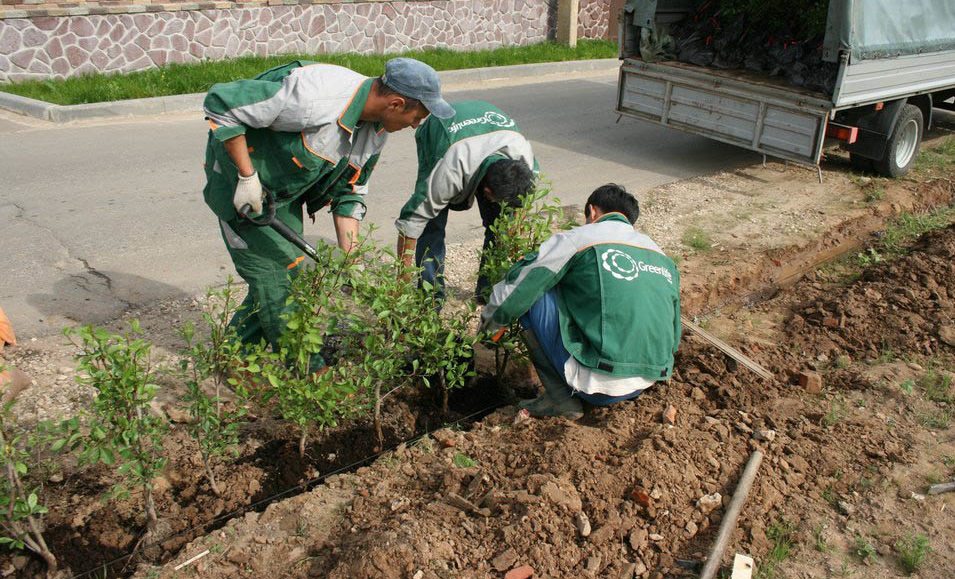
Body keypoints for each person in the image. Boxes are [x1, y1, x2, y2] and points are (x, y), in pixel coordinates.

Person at [202, 58, 454, 351]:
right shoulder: (315, 96)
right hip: (241, 186)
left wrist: (352, 261)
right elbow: (221, 102)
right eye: (417, 118)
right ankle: (307, 372)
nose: (415, 126)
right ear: (396, 104)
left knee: (285, 274)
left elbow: (349, 191)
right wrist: (247, 177)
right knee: (280, 274)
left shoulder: (376, 130)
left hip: (282, 191)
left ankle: (235, 352)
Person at [479, 184, 681, 419]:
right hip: (647, 380)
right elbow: (675, 330)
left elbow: (518, 287)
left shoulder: (579, 238)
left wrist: (488, 331)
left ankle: (560, 400)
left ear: (592, 212)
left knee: (534, 290)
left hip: (599, 386)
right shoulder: (660, 255)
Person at [394, 100, 537, 305]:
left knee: (502, 227)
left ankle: (487, 293)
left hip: (492, 132)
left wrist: (514, 241)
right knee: (431, 225)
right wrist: (402, 280)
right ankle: (430, 299)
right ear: (487, 191)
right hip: (442, 131)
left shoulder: (525, 162)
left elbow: (520, 210)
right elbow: (411, 222)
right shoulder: (447, 171)